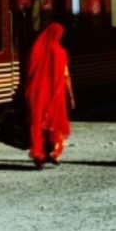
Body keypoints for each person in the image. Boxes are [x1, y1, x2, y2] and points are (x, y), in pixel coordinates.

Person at [24, 22, 75, 169]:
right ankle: (53, 152)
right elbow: (66, 76)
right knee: (54, 122)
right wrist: (71, 96)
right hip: (55, 95)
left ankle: (38, 154)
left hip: (36, 93)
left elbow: (28, 72)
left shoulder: (36, 50)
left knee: (37, 123)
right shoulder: (61, 52)